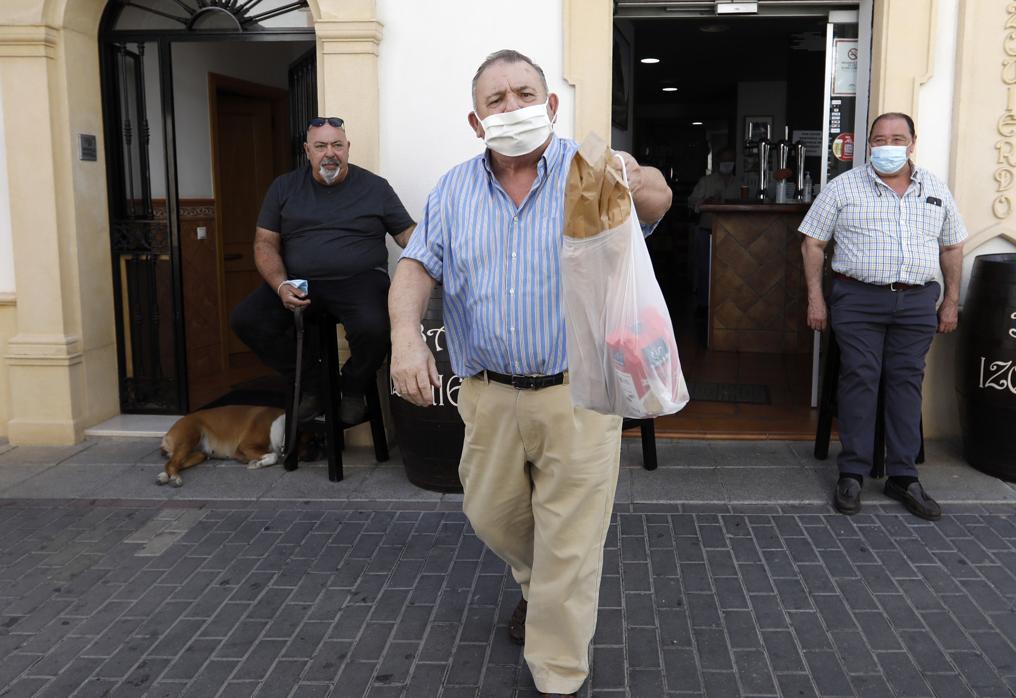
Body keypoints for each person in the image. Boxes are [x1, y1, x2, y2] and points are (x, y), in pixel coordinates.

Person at [388, 50, 672, 697]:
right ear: (475, 118)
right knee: (490, 513)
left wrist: (636, 173)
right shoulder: (454, 189)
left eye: (524, 94)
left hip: (579, 393)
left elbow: (656, 200)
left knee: (571, 543)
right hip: (486, 394)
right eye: (497, 99)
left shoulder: (589, 171)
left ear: (549, 106)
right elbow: (415, 266)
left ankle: (557, 677)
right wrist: (406, 335)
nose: (512, 107)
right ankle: (543, 590)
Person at [799, 112, 966, 521]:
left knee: (907, 382)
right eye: (879, 139)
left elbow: (952, 248)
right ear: (868, 144)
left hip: (916, 302)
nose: (887, 145)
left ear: (912, 142)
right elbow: (812, 245)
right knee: (860, 378)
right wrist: (816, 300)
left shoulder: (935, 189)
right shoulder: (843, 187)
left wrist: (950, 301)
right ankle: (853, 471)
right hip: (857, 299)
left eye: (897, 138)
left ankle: (903, 475)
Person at [229, 117, 415, 425]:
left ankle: (353, 388)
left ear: (347, 148)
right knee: (247, 320)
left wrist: (438, 242)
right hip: (299, 281)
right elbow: (264, 243)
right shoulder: (284, 187)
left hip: (360, 279)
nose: (330, 153)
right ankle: (313, 384)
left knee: (377, 327)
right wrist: (280, 284)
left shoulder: (375, 187)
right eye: (321, 146)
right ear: (307, 151)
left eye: (337, 145)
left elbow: (406, 233)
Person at [686, 149, 741, 309]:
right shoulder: (706, 182)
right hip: (707, 231)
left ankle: (726, 305)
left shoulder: (739, 182)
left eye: (730, 161)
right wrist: (705, 201)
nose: (727, 164)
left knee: (729, 271)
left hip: (732, 234)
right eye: (724, 161)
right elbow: (691, 201)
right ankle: (704, 306)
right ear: (718, 163)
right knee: (705, 270)